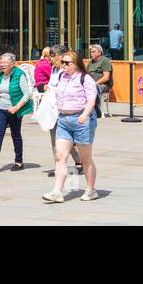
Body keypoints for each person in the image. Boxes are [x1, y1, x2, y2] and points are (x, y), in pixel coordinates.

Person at [43, 50, 99, 203]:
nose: (64, 65)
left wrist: (84, 114)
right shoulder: (61, 76)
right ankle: (57, 191)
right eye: (63, 62)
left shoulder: (85, 78)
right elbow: (57, 92)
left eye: (67, 63)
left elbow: (91, 100)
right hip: (63, 119)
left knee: (85, 158)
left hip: (81, 120)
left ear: (76, 64)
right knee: (60, 156)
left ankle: (90, 189)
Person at [0, 53, 32, 172]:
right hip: (1, 108)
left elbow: (27, 94)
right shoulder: (0, 75)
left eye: (5, 63)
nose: (3, 65)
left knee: (15, 135)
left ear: (12, 64)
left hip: (14, 109)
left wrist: (16, 107)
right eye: (1, 62)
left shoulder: (19, 75)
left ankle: (19, 162)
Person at [86, 44, 113, 111]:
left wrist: (94, 83)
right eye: (91, 52)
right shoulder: (91, 62)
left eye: (93, 52)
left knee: (95, 88)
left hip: (103, 85)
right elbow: (86, 74)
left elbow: (106, 77)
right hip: (92, 83)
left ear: (99, 52)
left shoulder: (105, 61)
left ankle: (95, 109)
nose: (91, 54)